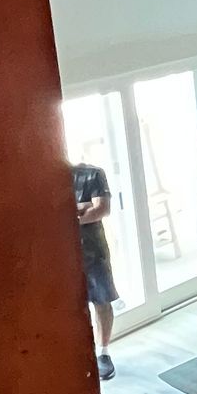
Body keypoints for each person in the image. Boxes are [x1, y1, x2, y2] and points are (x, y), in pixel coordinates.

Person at [72, 159, 119, 379]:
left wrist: (67, 214)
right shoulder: (43, 178)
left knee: (102, 300)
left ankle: (104, 353)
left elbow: (102, 208)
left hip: (92, 248)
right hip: (61, 252)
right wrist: (82, 207)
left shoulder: (91, 174)